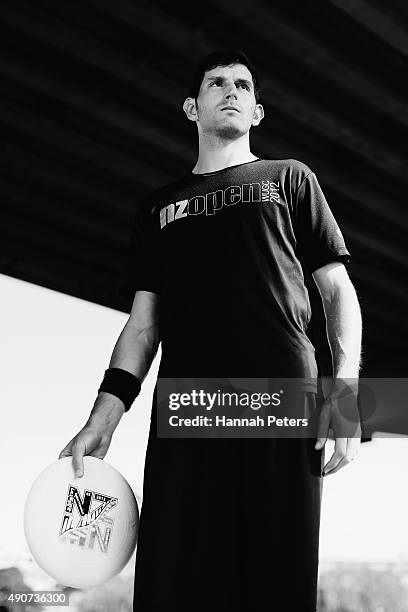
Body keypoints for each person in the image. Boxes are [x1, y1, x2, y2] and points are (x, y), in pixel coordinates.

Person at [59, 49, 362, 611]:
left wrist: (343, 393)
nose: (231, 91)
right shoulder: (158, 208)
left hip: (282, 402)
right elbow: (143, 325)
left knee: (277, 579)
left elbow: (338, 290)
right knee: (176, 580)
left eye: (243, 86)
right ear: (191, 106)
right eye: (217, 83)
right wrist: (102, 420)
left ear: (258, 111)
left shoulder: (289, 179)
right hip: (190, 410)